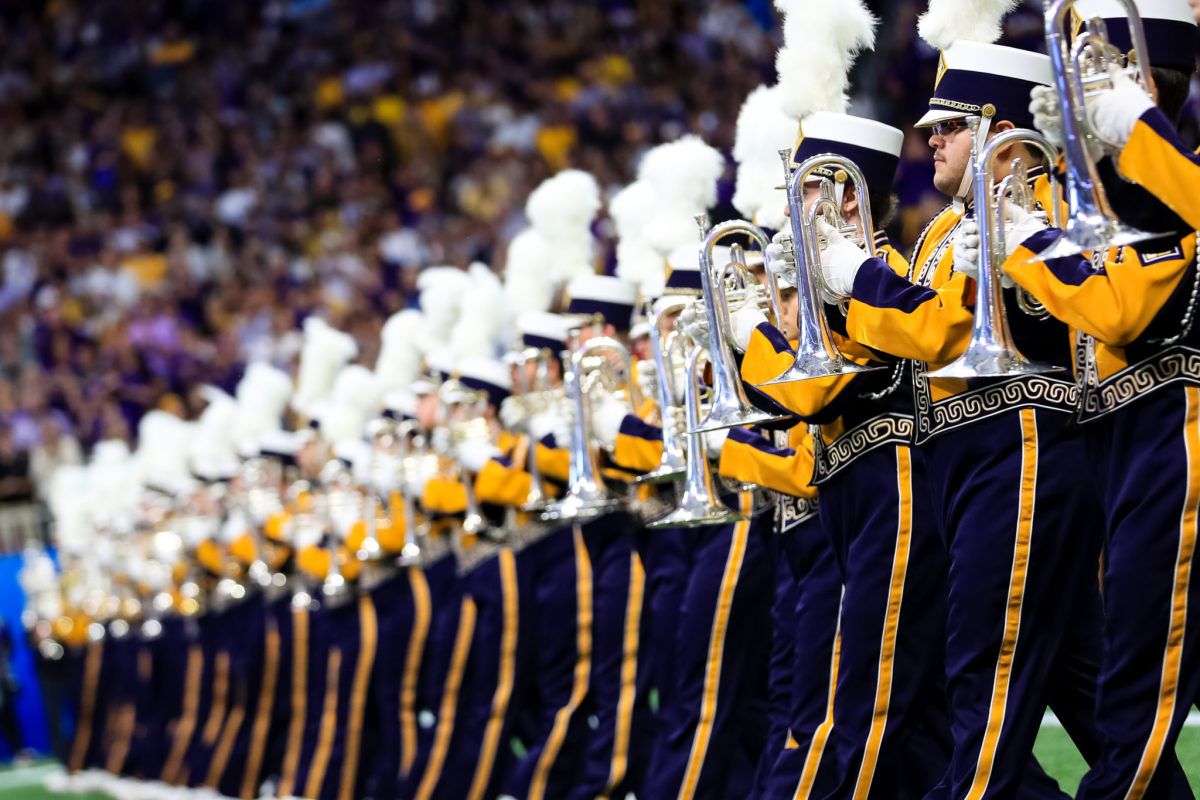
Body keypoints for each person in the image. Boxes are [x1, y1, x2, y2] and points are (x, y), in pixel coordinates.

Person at [1008, 2, 1200, 797]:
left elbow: (1121, 310)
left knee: (1134, 712)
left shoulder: (1173, 179)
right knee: (1131, 696)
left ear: (1139, 80)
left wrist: (1031, 245)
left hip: (1175, 436)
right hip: (1116, 441)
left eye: (1097, 74)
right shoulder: (1113, 190)